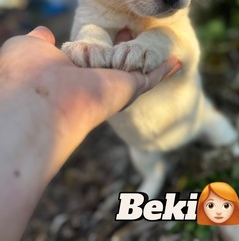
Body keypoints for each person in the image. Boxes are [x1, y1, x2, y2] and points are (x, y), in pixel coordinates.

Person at [0, 26, 180, 241]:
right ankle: (154, 175)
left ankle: (231, 145)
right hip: (138, 121)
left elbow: (179, 46)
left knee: (209, 126)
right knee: (140, 144)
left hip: (179, 107)